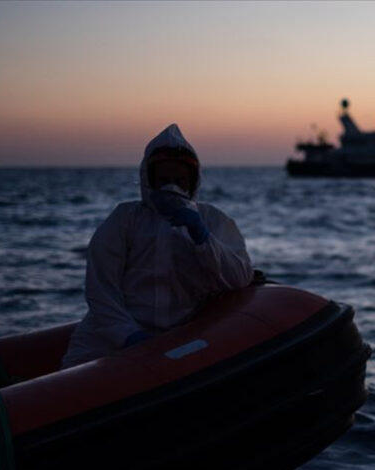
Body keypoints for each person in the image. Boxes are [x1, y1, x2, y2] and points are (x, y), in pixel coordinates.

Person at [61, 124, 254, 368]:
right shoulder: (124, 219)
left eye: (179, 180)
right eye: (163, 180)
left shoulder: (213, 221)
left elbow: (239, 277)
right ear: (149, 180)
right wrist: (129, 335)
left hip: (179, 338)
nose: (171, 187)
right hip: (109, 337)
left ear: (192, 182)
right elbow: (101, 291)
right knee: (73, 383)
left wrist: (203, 238)